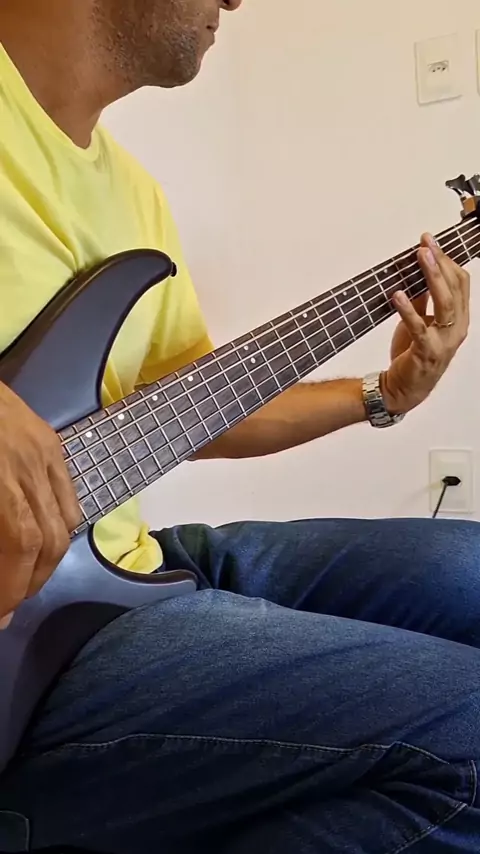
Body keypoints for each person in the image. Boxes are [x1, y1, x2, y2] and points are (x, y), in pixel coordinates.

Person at [0, 0, 478, 851]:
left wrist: (385, 394)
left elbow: (186, 410)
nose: (235, 0)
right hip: (36, 655)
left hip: (123, 564)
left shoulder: (133, 195)